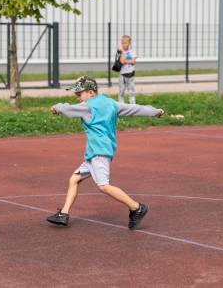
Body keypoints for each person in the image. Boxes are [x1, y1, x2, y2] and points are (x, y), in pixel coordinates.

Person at [46, 75, 164, 229]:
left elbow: (67, 109)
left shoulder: (87, 106)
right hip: (97, 152)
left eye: (79, 94)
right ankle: (64, 214)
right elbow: (136, 109)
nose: (77, 97)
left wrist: (56, 107)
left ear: (91, 92)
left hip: (98, 152)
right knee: (74, 179)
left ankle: (137, 207)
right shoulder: (111, 103)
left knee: (103, 186)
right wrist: (155, 111)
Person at [118, 35, 137, 104]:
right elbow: (122, 62)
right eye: (122, 43)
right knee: (121, 90)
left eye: (125, 43)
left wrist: (126, 61)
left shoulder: (132, 52)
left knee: (131, 90)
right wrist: (123, 52)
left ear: (129, 43)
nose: (124, 44)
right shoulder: (120, 52)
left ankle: (132, 104)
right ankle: (121, 104)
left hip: (131, 73)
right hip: (122, 74)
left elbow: (133, 62)